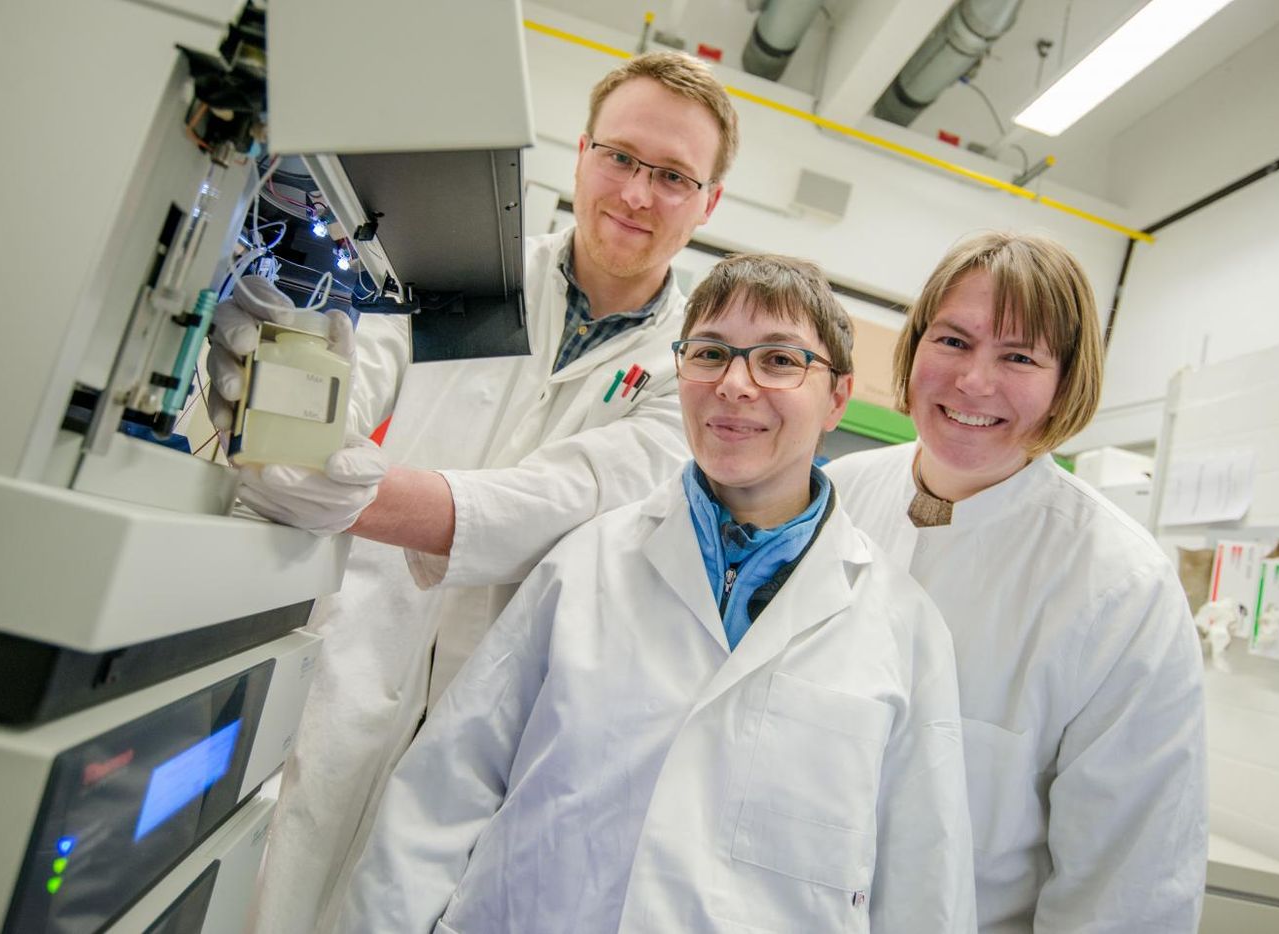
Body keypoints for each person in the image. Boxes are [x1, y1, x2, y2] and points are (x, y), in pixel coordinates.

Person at [210, 52, 741, 934]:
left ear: (710, 201)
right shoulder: (464, 275)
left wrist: (344, 494)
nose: (638, 194)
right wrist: (282, 385)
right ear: (580, 154)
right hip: (354, 660)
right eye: (620, 157)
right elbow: (356, 375)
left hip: (508, 715)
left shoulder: (695, 367)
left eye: (675, 176)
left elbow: (556, 506)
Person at [336, 254, 977, 934]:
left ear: (838, 398)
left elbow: (923, 887)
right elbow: (440, 798)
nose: (735, 384)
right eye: (710, 353)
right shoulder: (584, 564)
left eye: (781, 361)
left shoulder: (902, 628)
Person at [825, 231, 1207, 932]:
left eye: (1020, 356)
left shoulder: (1121, 588)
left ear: (1067, 382)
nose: (974, 381)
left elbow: (1128, 887)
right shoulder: (830, 502)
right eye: (952, 342)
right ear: (912, 350)